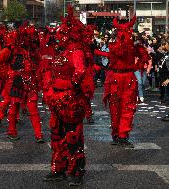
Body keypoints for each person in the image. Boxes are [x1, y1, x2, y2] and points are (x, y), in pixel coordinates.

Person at [43, 5, 92, 186]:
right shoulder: (61, 52)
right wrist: (49, 87)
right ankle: (58, 169)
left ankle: (76, 171)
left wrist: (72, 86)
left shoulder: (76, 51)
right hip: (57, 99)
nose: (59, 35)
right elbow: (50, 70)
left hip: (70, 100)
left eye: (62, 32)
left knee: (72, 136)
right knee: (56, 135)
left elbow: (80, 70)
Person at [95, 16, 138, 148]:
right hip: (117, 78)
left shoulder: (128, 44)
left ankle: (121, 135)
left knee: (125, 108)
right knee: (119, 108)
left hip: (123, 77)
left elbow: (117, 54)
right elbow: (112, 55)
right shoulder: (119, 44)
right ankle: (119, 135)